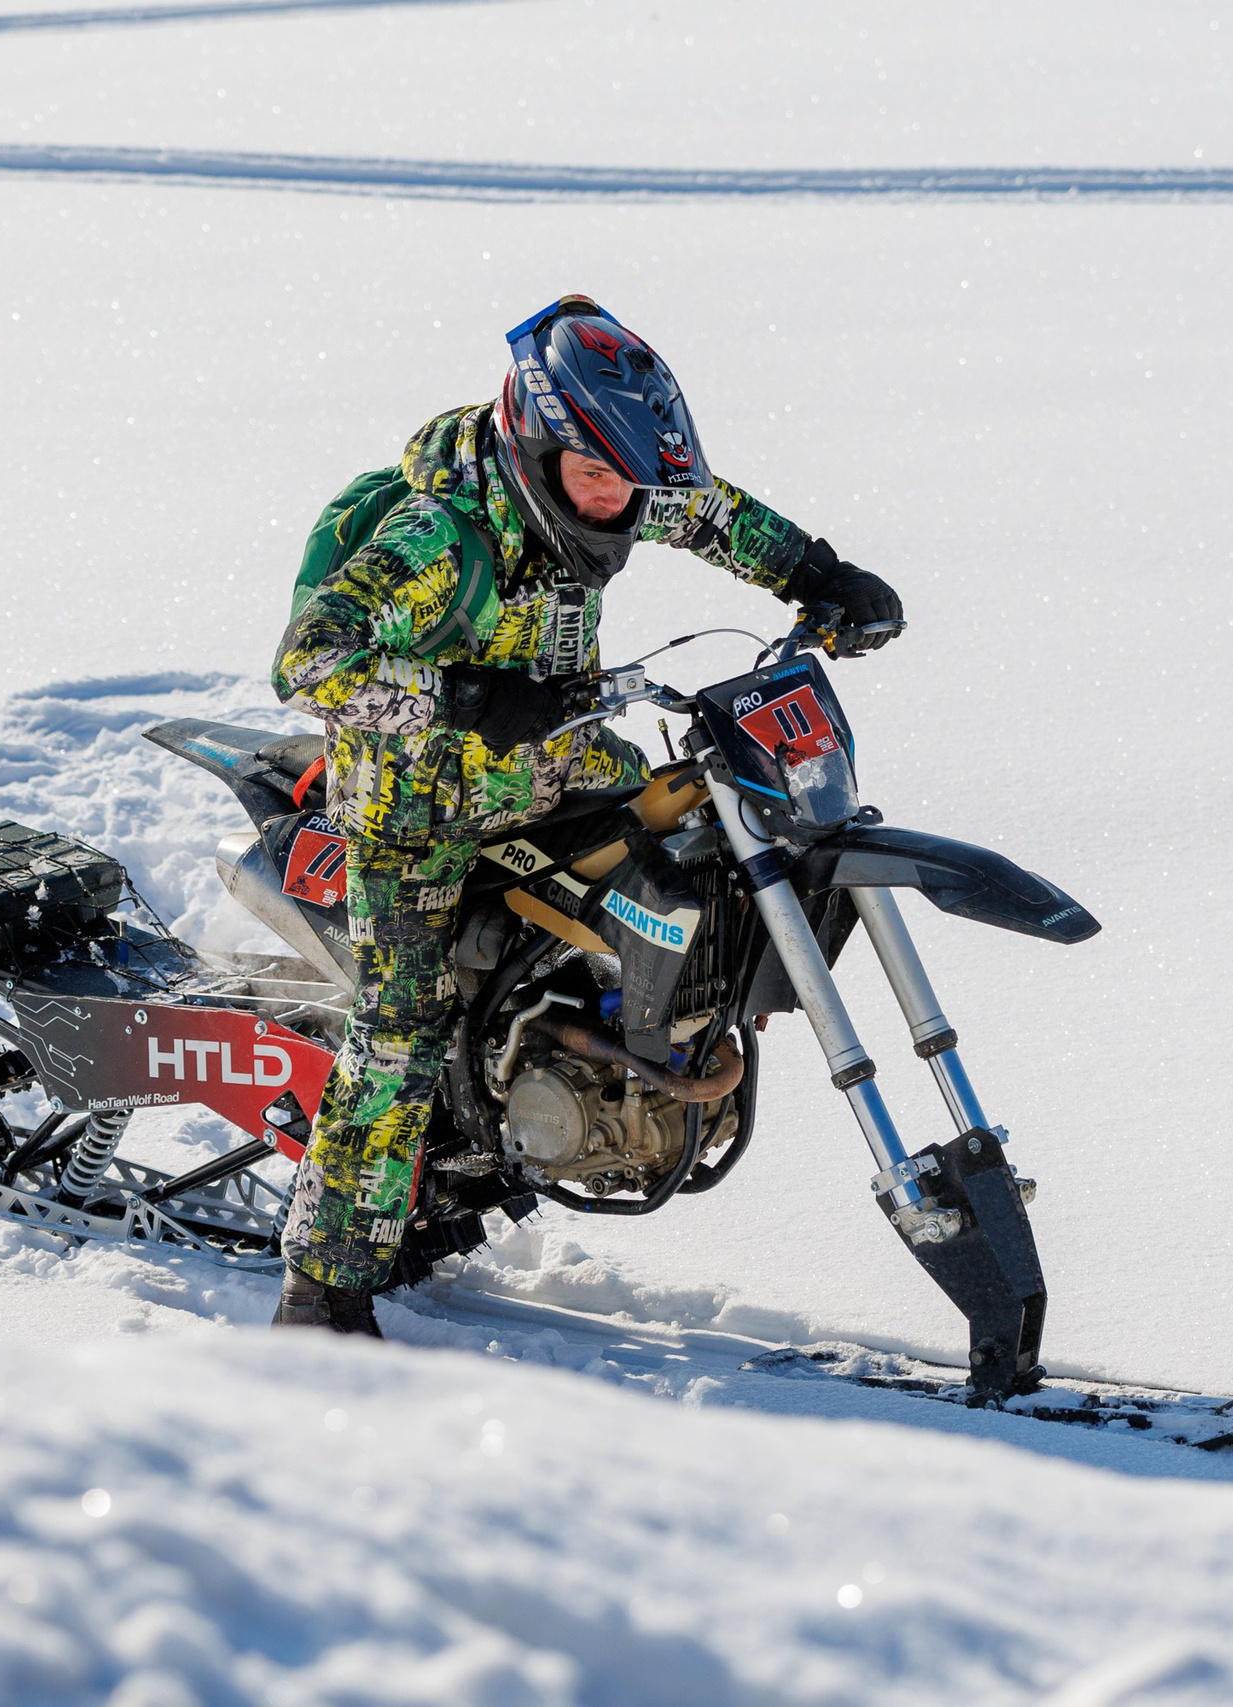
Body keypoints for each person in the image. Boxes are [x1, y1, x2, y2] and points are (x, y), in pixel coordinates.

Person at [267, 294, 903, 1335]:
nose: (618, 504)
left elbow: (705, 511)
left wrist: (814, 574)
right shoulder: (438, 538)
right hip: (417, 807)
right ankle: (321, 1288)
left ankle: (581, 1060)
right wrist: (460, 701)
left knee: (699, 851)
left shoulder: (602, 482)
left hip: (553, 761)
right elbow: (310, 660)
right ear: (534, 439)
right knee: (400, 1027)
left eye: (627, 482)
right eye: (598, 478)